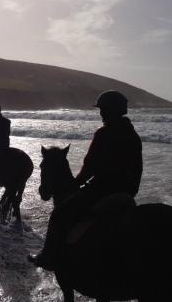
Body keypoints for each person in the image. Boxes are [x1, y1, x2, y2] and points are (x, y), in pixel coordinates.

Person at [29, 90, 143, 270]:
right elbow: (138, 169)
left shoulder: (104, 133)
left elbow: (90, 167)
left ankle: (47, 257)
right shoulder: (134, 136)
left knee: (59, 215)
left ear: (110, 110)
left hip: (102, 191)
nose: (101, 113)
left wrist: (76, 184)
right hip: (127, 193)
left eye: (103, 109)